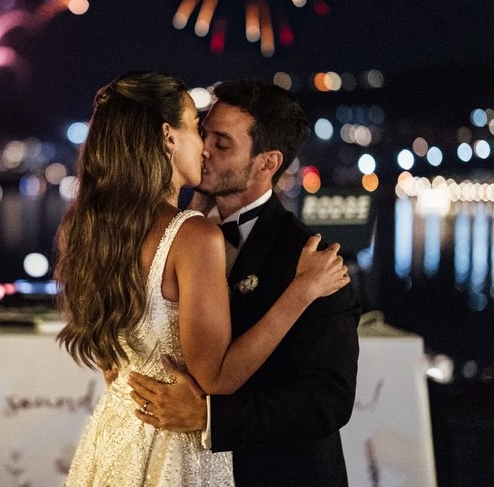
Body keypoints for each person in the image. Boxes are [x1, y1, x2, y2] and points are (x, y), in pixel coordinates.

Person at [56, 71, 350, 487]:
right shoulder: (190, 233)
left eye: (221, 143)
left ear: (268, 163)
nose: (205, 149)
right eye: (201, 131)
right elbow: (208, 372)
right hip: (166, 454)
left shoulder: (309, 257)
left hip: (147, 449)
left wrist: (209, 416)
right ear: (168, 138)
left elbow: (329, 400)